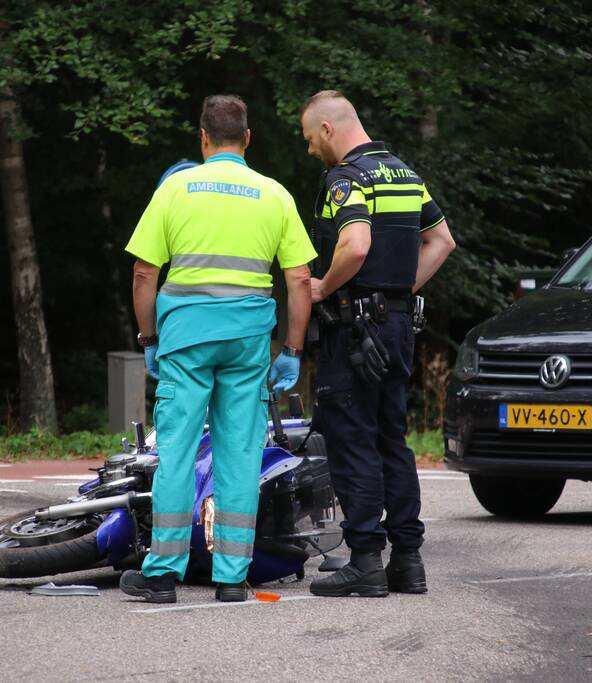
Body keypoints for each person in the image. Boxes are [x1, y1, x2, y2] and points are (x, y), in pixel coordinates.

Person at [119, 95, 316, 604]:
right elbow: (297, 279)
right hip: (248, 342)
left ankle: (162, 574)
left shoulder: (175, 189)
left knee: (178, 451)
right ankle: (231, 577)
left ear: (202, 137)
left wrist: (148, 338)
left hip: (184, 339)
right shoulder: (273, 194)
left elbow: (144, 273)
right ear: (247, 139)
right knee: (239, 453)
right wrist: (292, 347)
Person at [299, 90, 455, 597]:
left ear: (327, 130)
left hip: (355, 330)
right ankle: (407, 561)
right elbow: (442, 240)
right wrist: (402, 290)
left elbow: (356, 242)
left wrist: (325, 286)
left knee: (352, 439)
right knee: (393, 438)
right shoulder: (405, 174)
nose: (309, 152)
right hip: (397, 326)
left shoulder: (346, 177)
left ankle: (365, 560)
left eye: (308, 139)